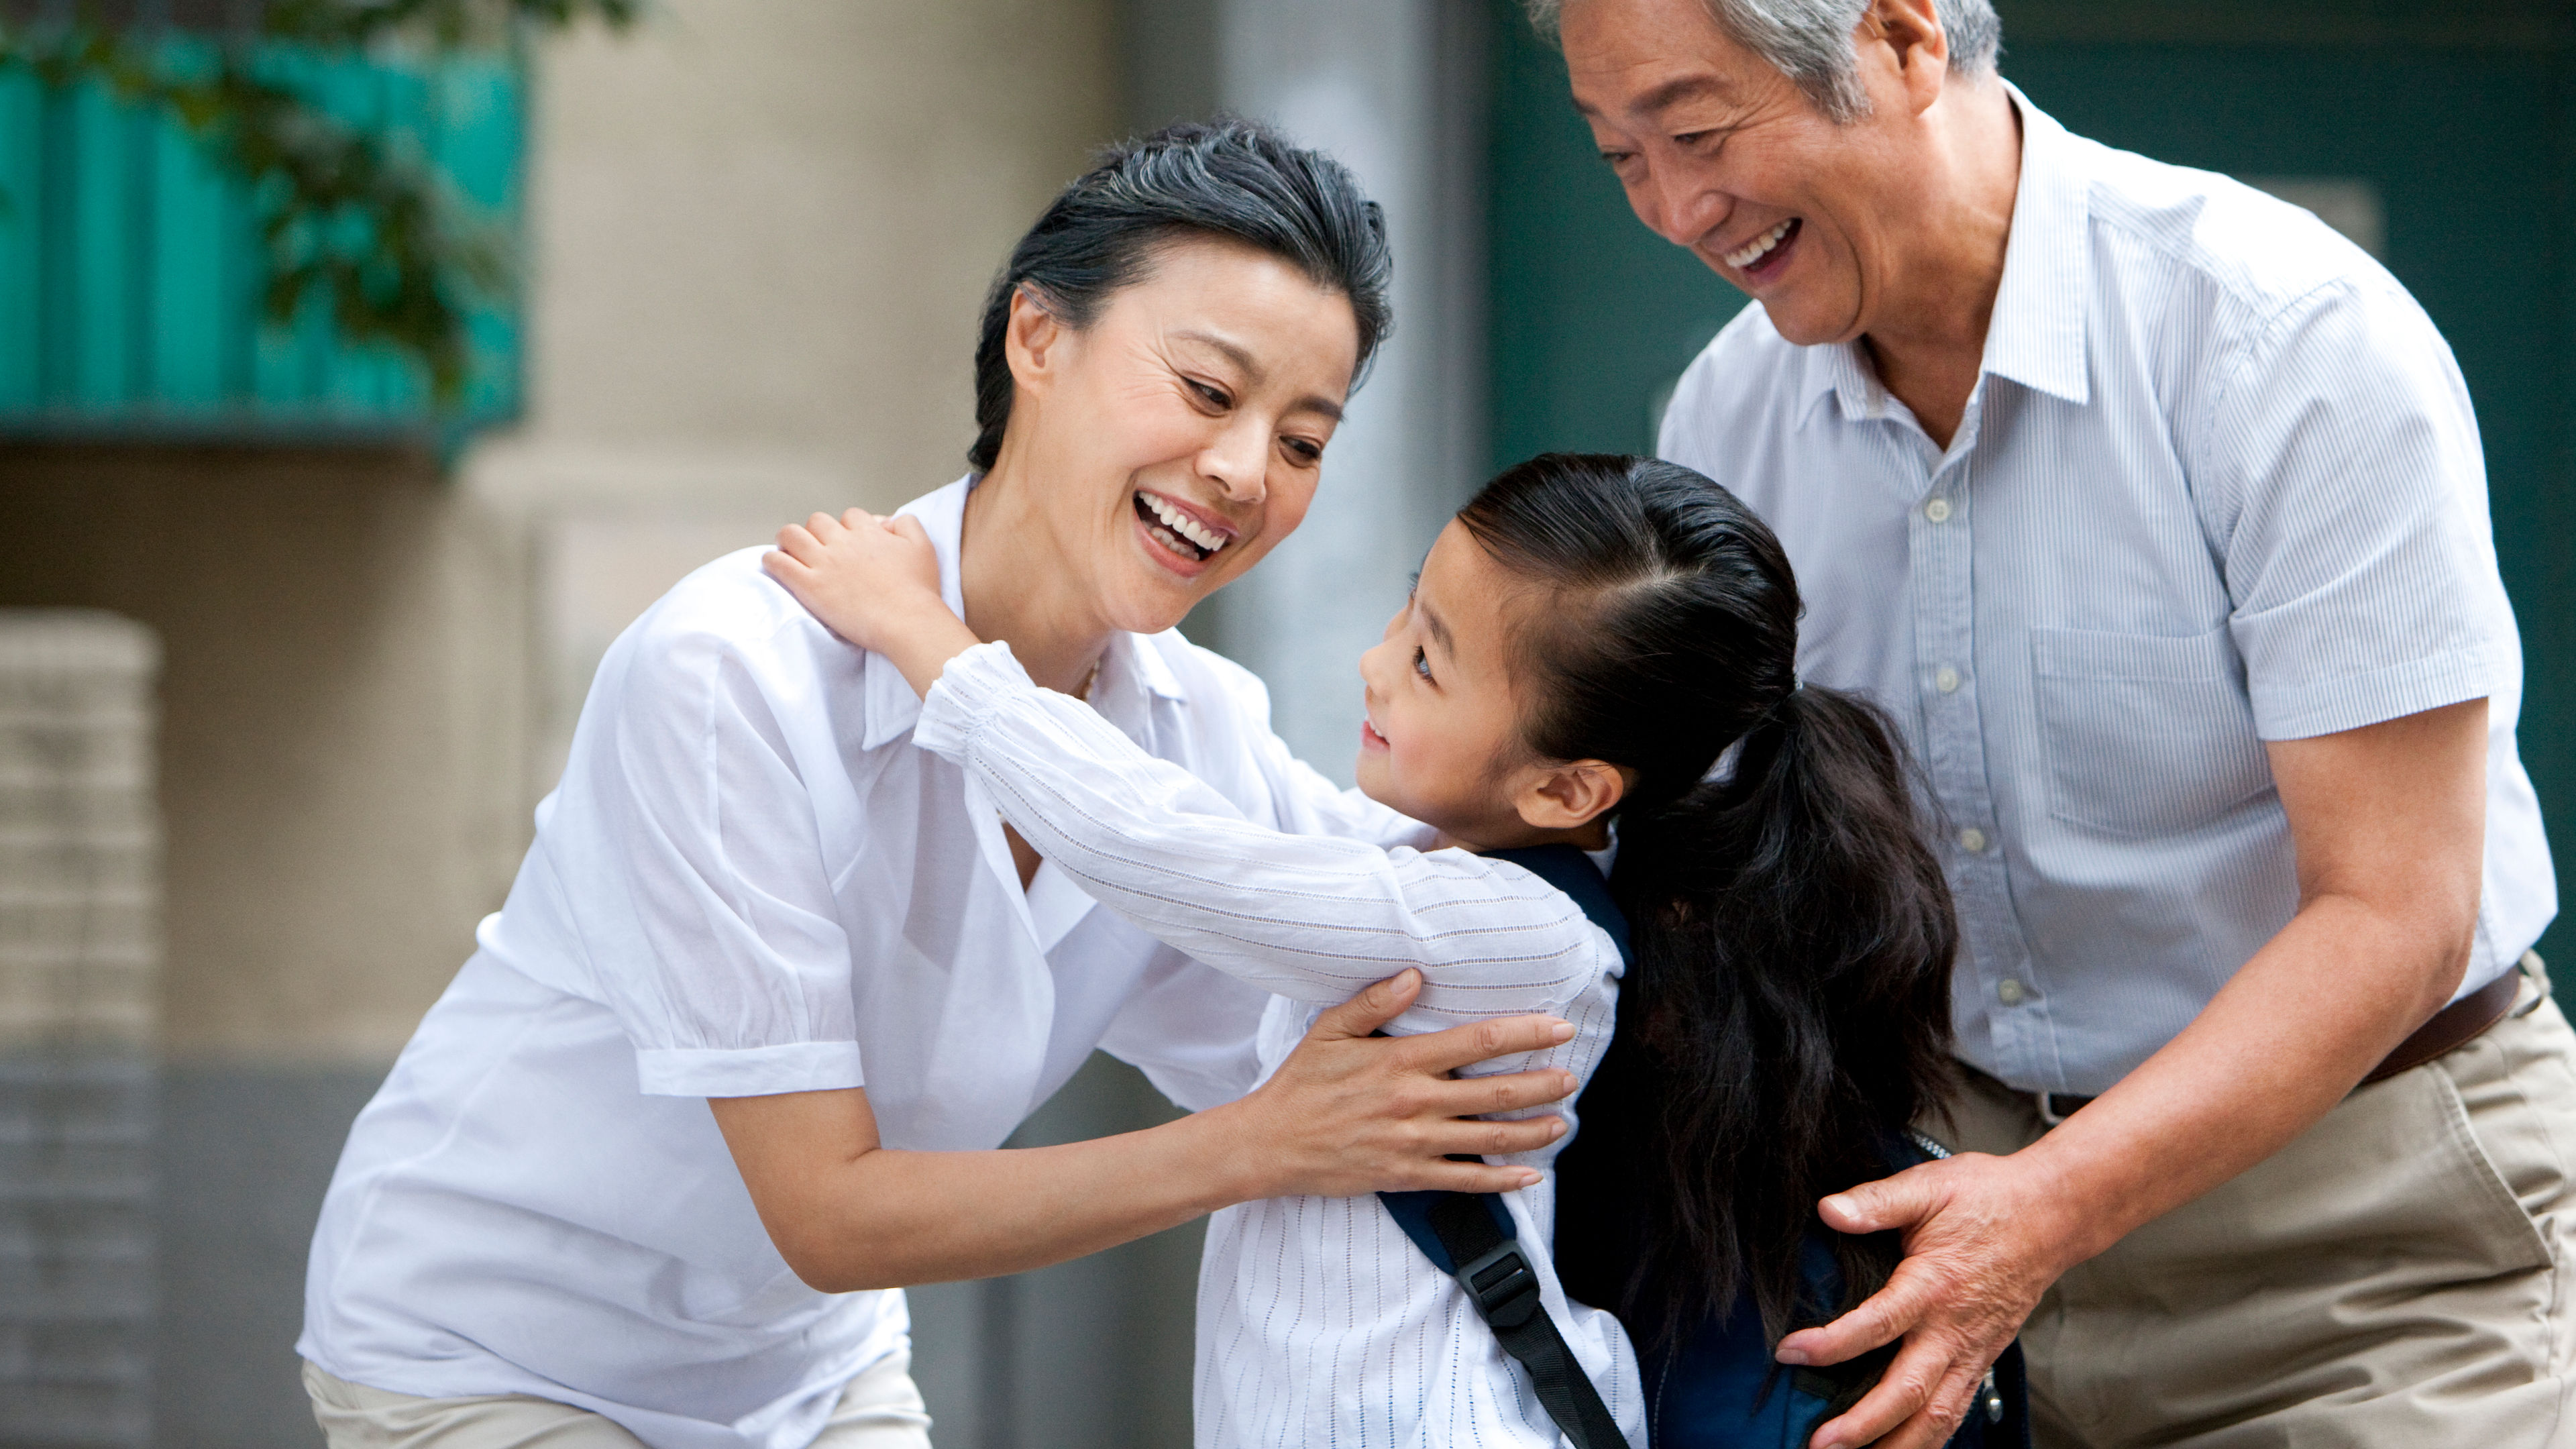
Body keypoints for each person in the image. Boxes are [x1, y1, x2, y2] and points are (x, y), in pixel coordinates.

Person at [296, 120, 1585, 1449]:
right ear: (1038, 338)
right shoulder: (733, 671)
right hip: (490, 1348)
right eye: (1208, 391)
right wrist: (1265, 1142)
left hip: (802, 1371)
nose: (1246, 473)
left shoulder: (1197, 727)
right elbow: (831, 1213)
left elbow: (1400, 978)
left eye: (1305, 442)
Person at [1535, 0, 2573, 1446]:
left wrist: (2047, 1209)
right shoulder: (1727, 418)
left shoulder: (2286, 343)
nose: (1675, 209)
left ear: (1901, 41)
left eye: (1698, 134)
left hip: (2364, 1238)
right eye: (1618, 159)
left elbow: (2397, 910)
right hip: (1953, 1225)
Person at [761, 451, 1960, 1448]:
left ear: (1568, 787)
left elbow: (1159, 850)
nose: (1376, 661)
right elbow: (1229, 831)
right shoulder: (1434, 867)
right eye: (1406, 608)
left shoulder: (1516, 934)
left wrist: (920, 632)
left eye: (1430, 660)